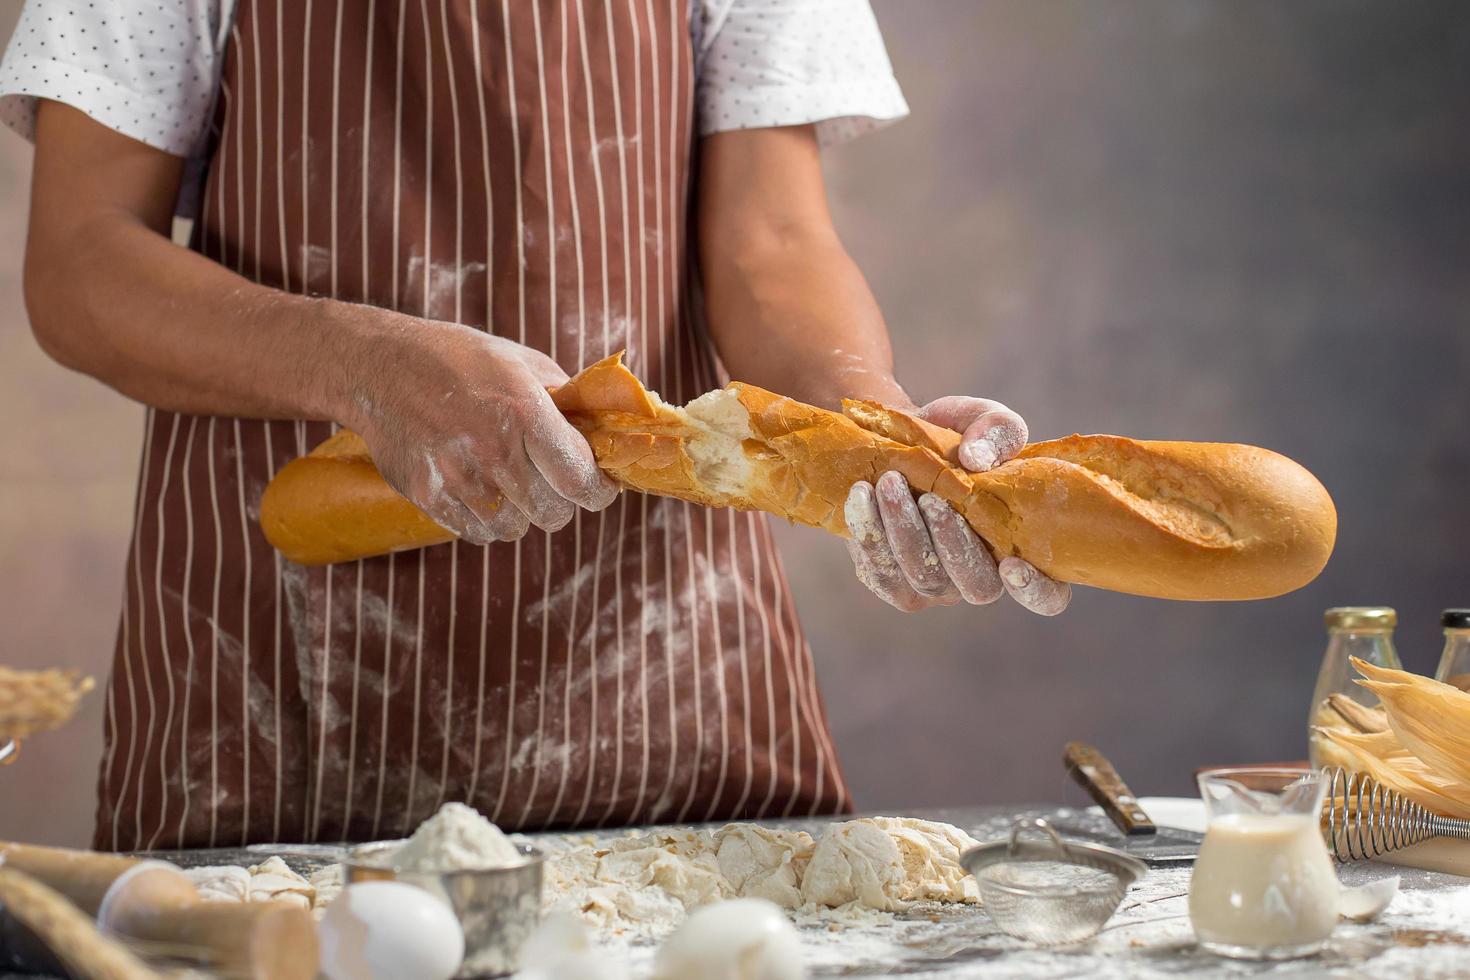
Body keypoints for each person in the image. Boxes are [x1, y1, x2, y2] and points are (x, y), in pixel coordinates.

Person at [0, 0, 1069, 852]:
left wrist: (877, 434)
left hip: (663, 681)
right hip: (271, 702)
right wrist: (364, 366)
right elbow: (79, 262)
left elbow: (772, 241)